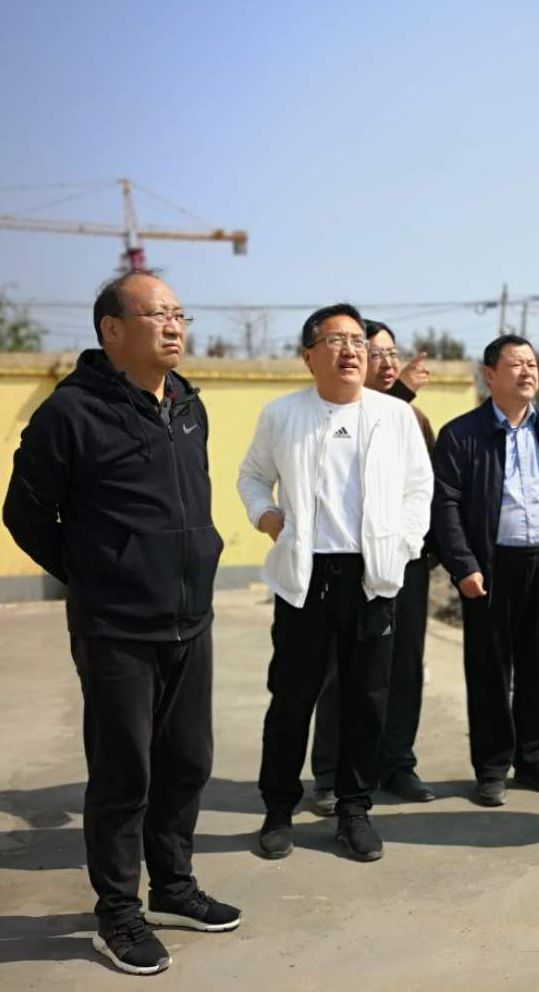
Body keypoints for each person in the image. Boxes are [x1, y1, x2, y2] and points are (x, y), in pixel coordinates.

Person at [2, 271, 240, 976]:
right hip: (116, 629)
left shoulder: (187, 404)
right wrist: (98, 573)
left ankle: (173, 887)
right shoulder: (70, 413)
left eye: (179, 314)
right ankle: (117, 913)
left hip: (190, 619)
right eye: (157, 314)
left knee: (187, 761)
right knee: (122, 774)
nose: (174, 326)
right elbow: (25, 514)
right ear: (111, 331)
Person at [237, 303, 433, 862]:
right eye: (336, 340)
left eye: (357, 341)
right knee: (291, 699)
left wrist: (403, 545)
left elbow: (419, 489)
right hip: (305, 578)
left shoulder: (394, 416)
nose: (351, 351)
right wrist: (267, 518)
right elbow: (252, 476)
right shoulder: (282, 414)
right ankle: (278, 810)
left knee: (366, 700)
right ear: (309, 357)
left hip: (371, 578)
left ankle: (354, 810)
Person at [432, 335, 539, 807]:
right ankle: (492, 767)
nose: (527, 372)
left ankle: (536, 758)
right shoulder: (461, 434)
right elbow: (445, 505)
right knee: (489, 668)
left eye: (532, 364)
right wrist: (464, 565)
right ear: (489, 375)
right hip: (489, 567)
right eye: (516, 364)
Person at [308, 320, 437, 811]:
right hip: (347, 563)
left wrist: (420, 548)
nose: (387, 363)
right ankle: (329, 772)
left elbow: (424, 488)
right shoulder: (333, 416)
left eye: (391, 353)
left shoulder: (412, 419)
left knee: (403, 665)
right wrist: (401, 391)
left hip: (405, 562)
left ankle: (396, 762)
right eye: (376, 353)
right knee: (340, 671)